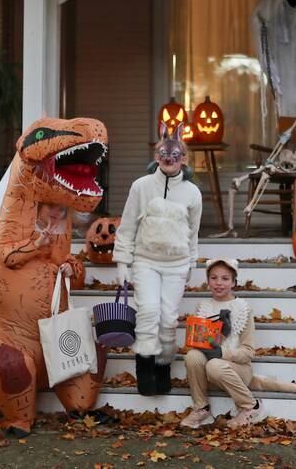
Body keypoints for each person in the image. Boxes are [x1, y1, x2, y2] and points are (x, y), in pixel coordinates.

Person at [113, 122, 203, 396]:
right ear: (156, 156)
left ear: (183, 158)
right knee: (149, 311)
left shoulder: (192, 193)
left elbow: (194, 233)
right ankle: (145, 372)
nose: (169, 161)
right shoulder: (141, 187)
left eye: (176, 156)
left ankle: (163, 368)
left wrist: (191, 263)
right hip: (146, 261)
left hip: (176, 264)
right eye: (164, 155)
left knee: (168, 319)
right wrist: (122, 262)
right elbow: (128, 225)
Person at [180, 258, 262, 429]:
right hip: (211, 372)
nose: (219, 283)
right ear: (208, 281)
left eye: (225, 279)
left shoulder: (243, 308)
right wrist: (219, 334)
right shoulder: (203, 307)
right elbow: (202, 346)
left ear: (233, 282)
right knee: (193, 356)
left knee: (215, 365)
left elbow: (248, 352)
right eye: (214, 278)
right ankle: (201, 407)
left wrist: (222, 353)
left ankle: (250, 406)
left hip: (237, 370)